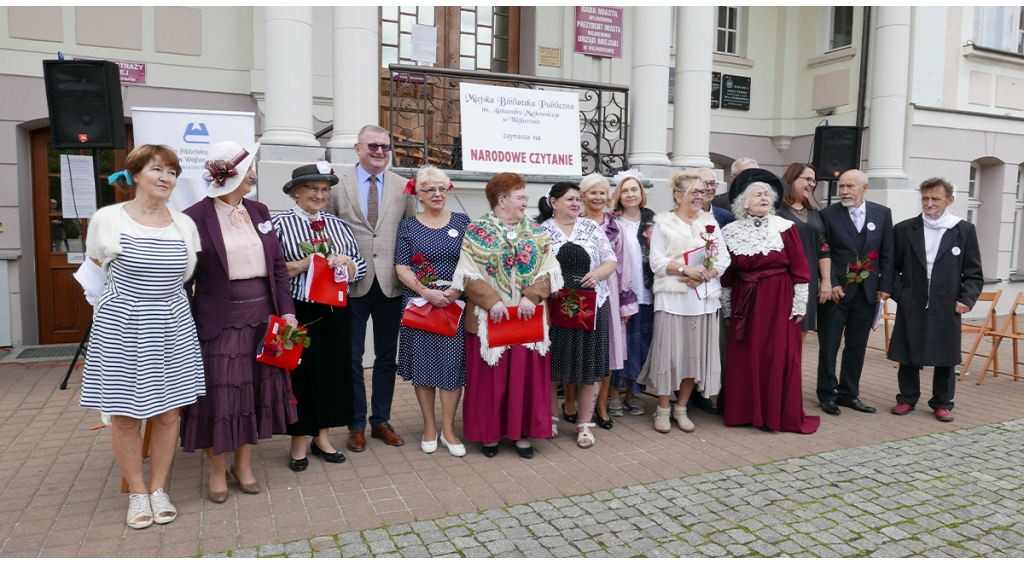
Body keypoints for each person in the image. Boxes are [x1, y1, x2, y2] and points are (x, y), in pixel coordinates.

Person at [80, 145, 204, 529]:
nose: (166, 177)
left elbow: (187, 278)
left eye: (172, 171)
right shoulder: (108, 219)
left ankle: (159, 489)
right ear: (135, 175)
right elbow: (94, 274)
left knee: (169, 413)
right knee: (125, 414)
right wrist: (119, 314)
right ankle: (137, 493)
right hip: (122, 324)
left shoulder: (184, 223)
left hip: (173, 322)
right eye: (157, 170)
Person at [180, 141, 298, 503]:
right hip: (220, 321)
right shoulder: (193, 217)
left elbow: (277, 267)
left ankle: (244, 465)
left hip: (264, 317)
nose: (255, 177)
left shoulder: (260, 211)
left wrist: (287, 311)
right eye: (249, 171)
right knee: (224, 397)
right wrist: (185, 325)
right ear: (228, 175)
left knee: (256, 393)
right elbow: (183, 278)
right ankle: (217, 469)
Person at [451, 172, 562, 458]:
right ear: (502, 200)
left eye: (525, 196)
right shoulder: (477, 230)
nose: (526, 202)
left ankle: (522, 434)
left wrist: (531, 296)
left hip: (528, 318)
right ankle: (489, 435)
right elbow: (466, 273)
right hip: (491, 319)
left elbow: (551, 271)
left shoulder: (536, 231)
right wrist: (491, 301)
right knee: (491, 379)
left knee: (526, 378)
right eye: (520, 197)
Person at [323, 125, 416, 452]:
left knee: (387, 357)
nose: (379, 151)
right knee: (351, 357)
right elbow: (328, 234)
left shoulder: (405, 187)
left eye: (385, 146)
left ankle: (381, 421)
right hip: (351, 285)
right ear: (358, 148)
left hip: (391, 284)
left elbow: (409, 233)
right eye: (373, 146)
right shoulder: (337, 186)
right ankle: (356, 424)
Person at [273, 163, 367, 471]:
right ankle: (299, 441)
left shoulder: (338, 225)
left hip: (336, 309)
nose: (319, 195)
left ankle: (323, 437)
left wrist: (346, 263)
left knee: (332, 374)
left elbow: (360, 267)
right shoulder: (279, 223)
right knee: (301, 376)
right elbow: (270, 270)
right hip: (298, 310)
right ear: (296, 191)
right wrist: (303, 264)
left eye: (325, 189)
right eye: (312, 188)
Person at [720, 181, 819, 434]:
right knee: (745, 352)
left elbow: (800, 269)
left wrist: (799, 304)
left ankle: (775, 413)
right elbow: (727, 276)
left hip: (778, 297)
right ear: (744, 202)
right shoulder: (730, 231)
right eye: (757, 194)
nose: (764, 197)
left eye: (767, 194)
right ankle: (744, 411)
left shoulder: (786, 227)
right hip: (746, 299)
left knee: (778, 353)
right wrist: (728, 308)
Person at [638, 171, 730, 433]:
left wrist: (706, 274)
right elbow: (656, 261)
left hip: (702, 299)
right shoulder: (663, 224)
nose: (700, 196)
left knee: (694, 355)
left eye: (703, 191)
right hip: (673, 300)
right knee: (670, 356)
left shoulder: (709, 221)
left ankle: (682, 407)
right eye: (694, 192)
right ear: (678, 195)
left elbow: (723, 258)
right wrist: (684, 270)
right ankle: (663, 409)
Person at [888, 178, 983, 423]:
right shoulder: (904, 229)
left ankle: (942, 402)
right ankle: (906, 398)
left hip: (946, 302)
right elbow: (891, 268)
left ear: (949, 200)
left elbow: (973, 273)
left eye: (935, 199)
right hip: (913, 301)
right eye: (925, 199)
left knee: (946, 355)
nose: (929, 204)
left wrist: (966, 299)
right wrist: (902, 294)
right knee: (908, 350)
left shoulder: (963, 230)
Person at [394, 166, 470, 456]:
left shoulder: (463, 221)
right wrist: (426, 292)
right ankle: (429, 427)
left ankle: (448, 429)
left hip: (454, 304)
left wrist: (455, 291)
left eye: (441, 189)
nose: (437, 194)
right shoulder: (409, 226)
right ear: (419, 194)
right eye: (430, 190)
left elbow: (472, 261)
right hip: (420, 305)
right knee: (424, 368)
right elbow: (401, 266)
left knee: (451, 368)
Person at [540, 182, 617, 448]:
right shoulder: (541, 231)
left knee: (590, 364)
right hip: (554, 306)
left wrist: (597, 274)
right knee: (552, 365)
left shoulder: (591, 228)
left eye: (577, 200)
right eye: (569, 199)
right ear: (554, 202)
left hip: (592, 305)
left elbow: (610, 261)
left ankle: (585, 424)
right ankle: (549, 419)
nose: (575, 204)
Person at [816, 169, 894, 416]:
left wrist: (885, 287)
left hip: (867, 293)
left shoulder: (882, 214)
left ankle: (849, 394)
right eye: (841, 187)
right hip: (836, 292)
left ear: (864, 188)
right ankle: (827, 394)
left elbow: (888, 253)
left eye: (850, 186)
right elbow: (823, 250)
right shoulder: (827, 215)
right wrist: (831, 282)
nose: (844, 192)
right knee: (829, 344)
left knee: (857, 346)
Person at [578, 173, 637, 430]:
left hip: (610, 291)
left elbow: (623, 264)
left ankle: (600, 406)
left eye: (602, 192)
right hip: (580, 289)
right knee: (579, 347)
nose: (598, 197)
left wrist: (626, 303)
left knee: (608, 348)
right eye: (593, 192)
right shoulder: (574, 223)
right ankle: (576, 405)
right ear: (583, 197)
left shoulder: (616, 227)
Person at [608, 169, 654, 417]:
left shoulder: (654, 221)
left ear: (641, 193)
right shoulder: (612, 221)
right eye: (624, 190)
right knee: (621, 343)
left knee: (642, 343)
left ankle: (633, 393)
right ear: (618, 195)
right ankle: (614, 394)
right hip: (620, 292)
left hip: (646, 291)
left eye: (634, 189)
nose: (629, 194)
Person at [692, 167, 733, 415]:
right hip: (687, 285)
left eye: (712, 184)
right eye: (703, 184)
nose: (709, 188)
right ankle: (686, 391)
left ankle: (706, 392)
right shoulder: (681, 216)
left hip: (715, 287)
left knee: (712, 343)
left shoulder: (724, 216)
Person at [777, 163, 833, 336]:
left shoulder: (814, 213)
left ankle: (795, 365)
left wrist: (826, 281)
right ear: (792, 179)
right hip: (783, 280)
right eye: (808, 179)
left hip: (807, 281)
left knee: (801, 332)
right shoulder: (776, 211)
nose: (812, 184)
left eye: (814, 181)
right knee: (780, 333)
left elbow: (823, 249)